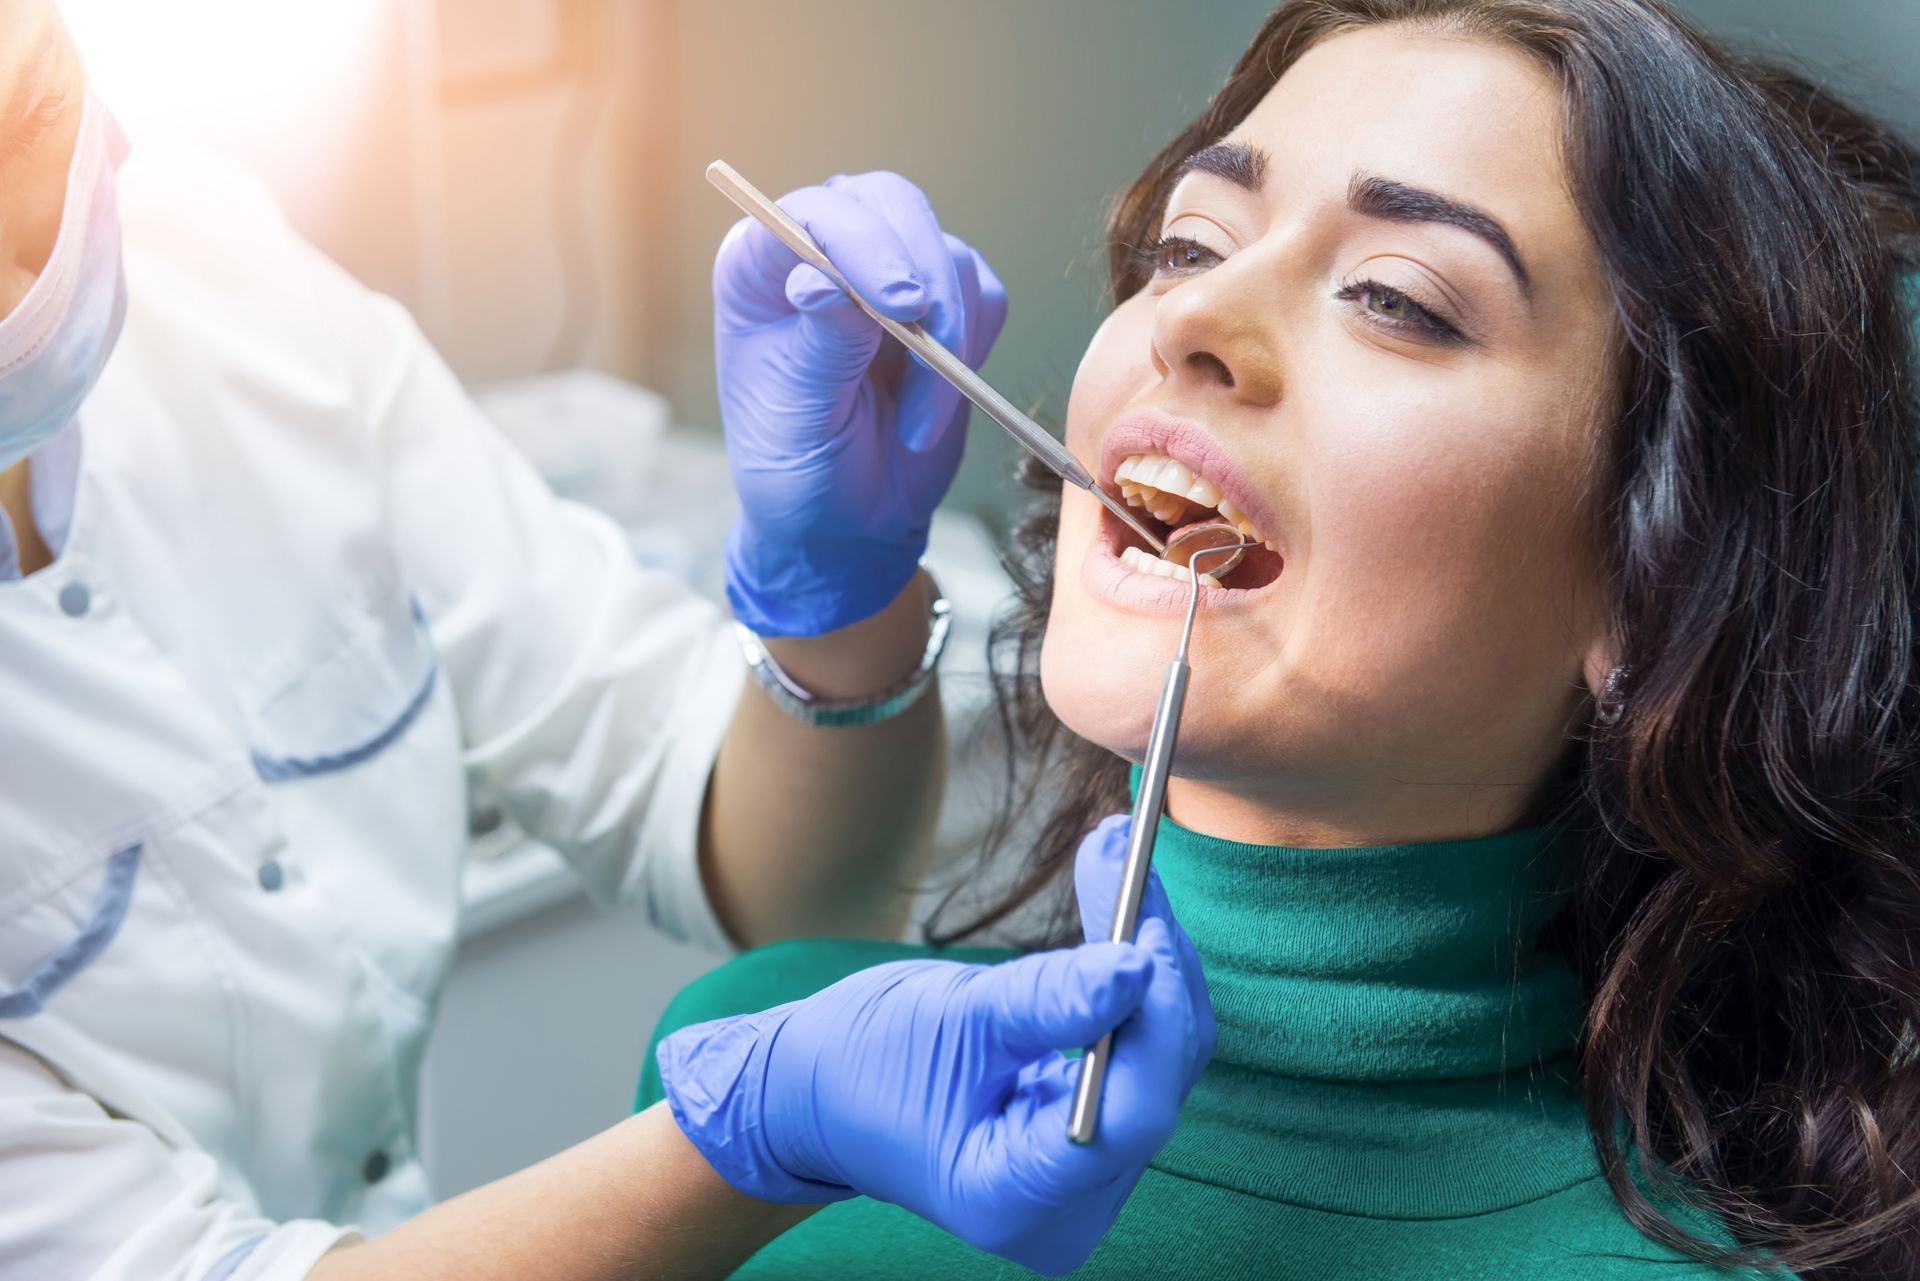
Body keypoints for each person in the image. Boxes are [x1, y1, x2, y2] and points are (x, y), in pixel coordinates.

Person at [643, 0, 1920, 1277]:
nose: (1191, 318)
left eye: (1397, 298)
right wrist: (731, 1148)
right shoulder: (755, 1059)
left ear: (1654, 585)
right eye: (1189, 244)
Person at [0, 2, 1211, 1277]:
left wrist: (837, 601)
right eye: (1191, 251)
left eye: (27, 118)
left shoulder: (217, 276)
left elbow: (771, 873)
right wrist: (747, 1138)